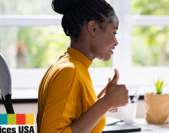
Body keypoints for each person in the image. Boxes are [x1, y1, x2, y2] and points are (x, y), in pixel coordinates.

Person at [37, 1, 129, 133]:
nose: (116, 42)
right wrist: (105, 103)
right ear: (93, 28)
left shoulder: (69, 66)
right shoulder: (70, 72)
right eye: (114, 33)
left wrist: (101, 103)